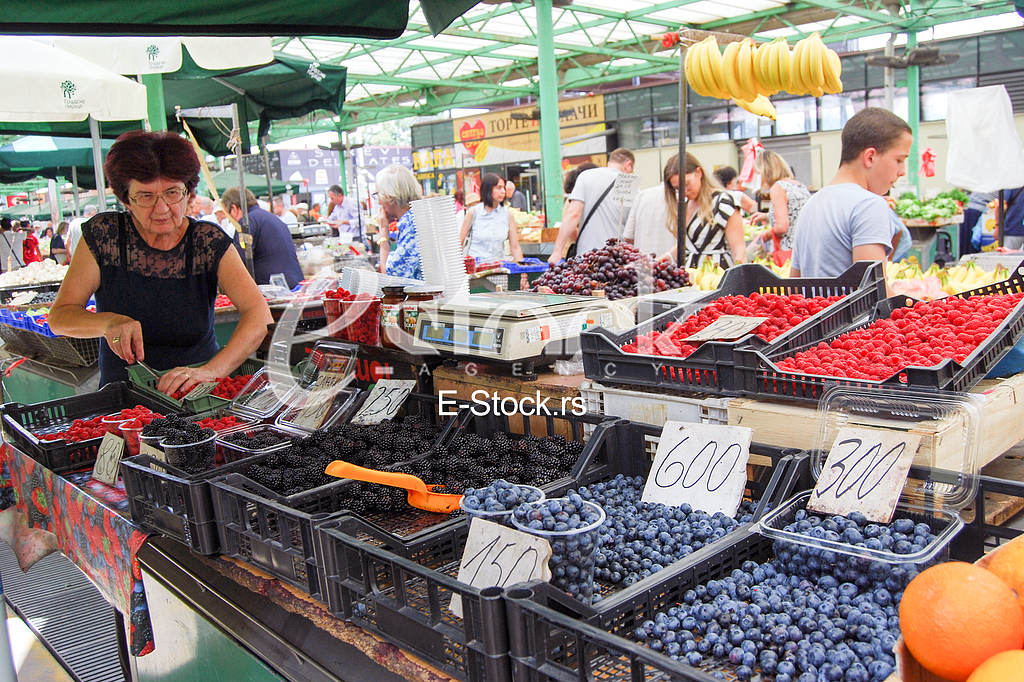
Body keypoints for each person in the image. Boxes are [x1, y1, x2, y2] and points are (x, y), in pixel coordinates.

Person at [48, 130, 273, 392]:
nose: (162, 208)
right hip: (125, 397)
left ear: (188, 193)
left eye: (172, 192)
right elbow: (60, 316)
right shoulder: (105, 235)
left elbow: (258, 314)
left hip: (197, 394)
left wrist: (212, 371)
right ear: (126, 198)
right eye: (146, 196)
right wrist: (108, 322)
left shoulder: (207, 241)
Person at [790, 108, 912, 278]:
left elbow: (794, 284)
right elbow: (871, 287)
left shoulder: (811, 205)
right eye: (899, 160)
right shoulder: (869, 205)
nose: (902, 171)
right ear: (870, 157)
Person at [549, 149, 635, 264]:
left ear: (609, 163)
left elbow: (573, 214)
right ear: (628, 165)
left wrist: (557, 252)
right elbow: (632, 232)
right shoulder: (632, 186)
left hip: (587, 259)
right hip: (617, 261)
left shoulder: (586, 176)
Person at [663, 153, 746, 267]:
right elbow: (689, 245)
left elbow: (739, 251)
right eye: (678, 188)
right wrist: (660, 260)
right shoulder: (685, 204)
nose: (684, 191)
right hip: (690, 273)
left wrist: (740, 276)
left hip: (717, 273)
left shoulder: (723, 202)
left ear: (699, 173)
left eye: (687, 184)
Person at [221, 187, 304, 289]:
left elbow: (239, 261)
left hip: (273, 289)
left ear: (234, 209)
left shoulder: (247, 222)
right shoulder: (272, 218)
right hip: (294, 283)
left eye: (228, 215)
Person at [755, 150, 810, 264]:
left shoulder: (778, 188)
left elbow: (782, 227)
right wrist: (767, 216)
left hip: (787, 251)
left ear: (766, 172)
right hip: (805, 248)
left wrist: (765, 236)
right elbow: (794, 212)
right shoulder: (799, 185)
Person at [623, 154, 680, 258]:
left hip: (644, 261)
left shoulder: (642, 196)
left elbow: (628, 236)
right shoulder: (685, 198)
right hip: (673, 262)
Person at [460, 173, 525, 262]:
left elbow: (515, 247)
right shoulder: (473, 212)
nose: (503, 191)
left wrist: (522, 267)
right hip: (475, 267)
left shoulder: (508, 215)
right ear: (488, 189)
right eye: (498, 188)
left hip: (498, 267)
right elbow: (460, 243)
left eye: (504, 188)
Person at [375, 164, 423, 279]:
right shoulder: (417, 217)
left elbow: (390, 278)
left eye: (377, 194)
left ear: (389, 196)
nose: (378, 202)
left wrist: (383, 233)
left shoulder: (413, 225)